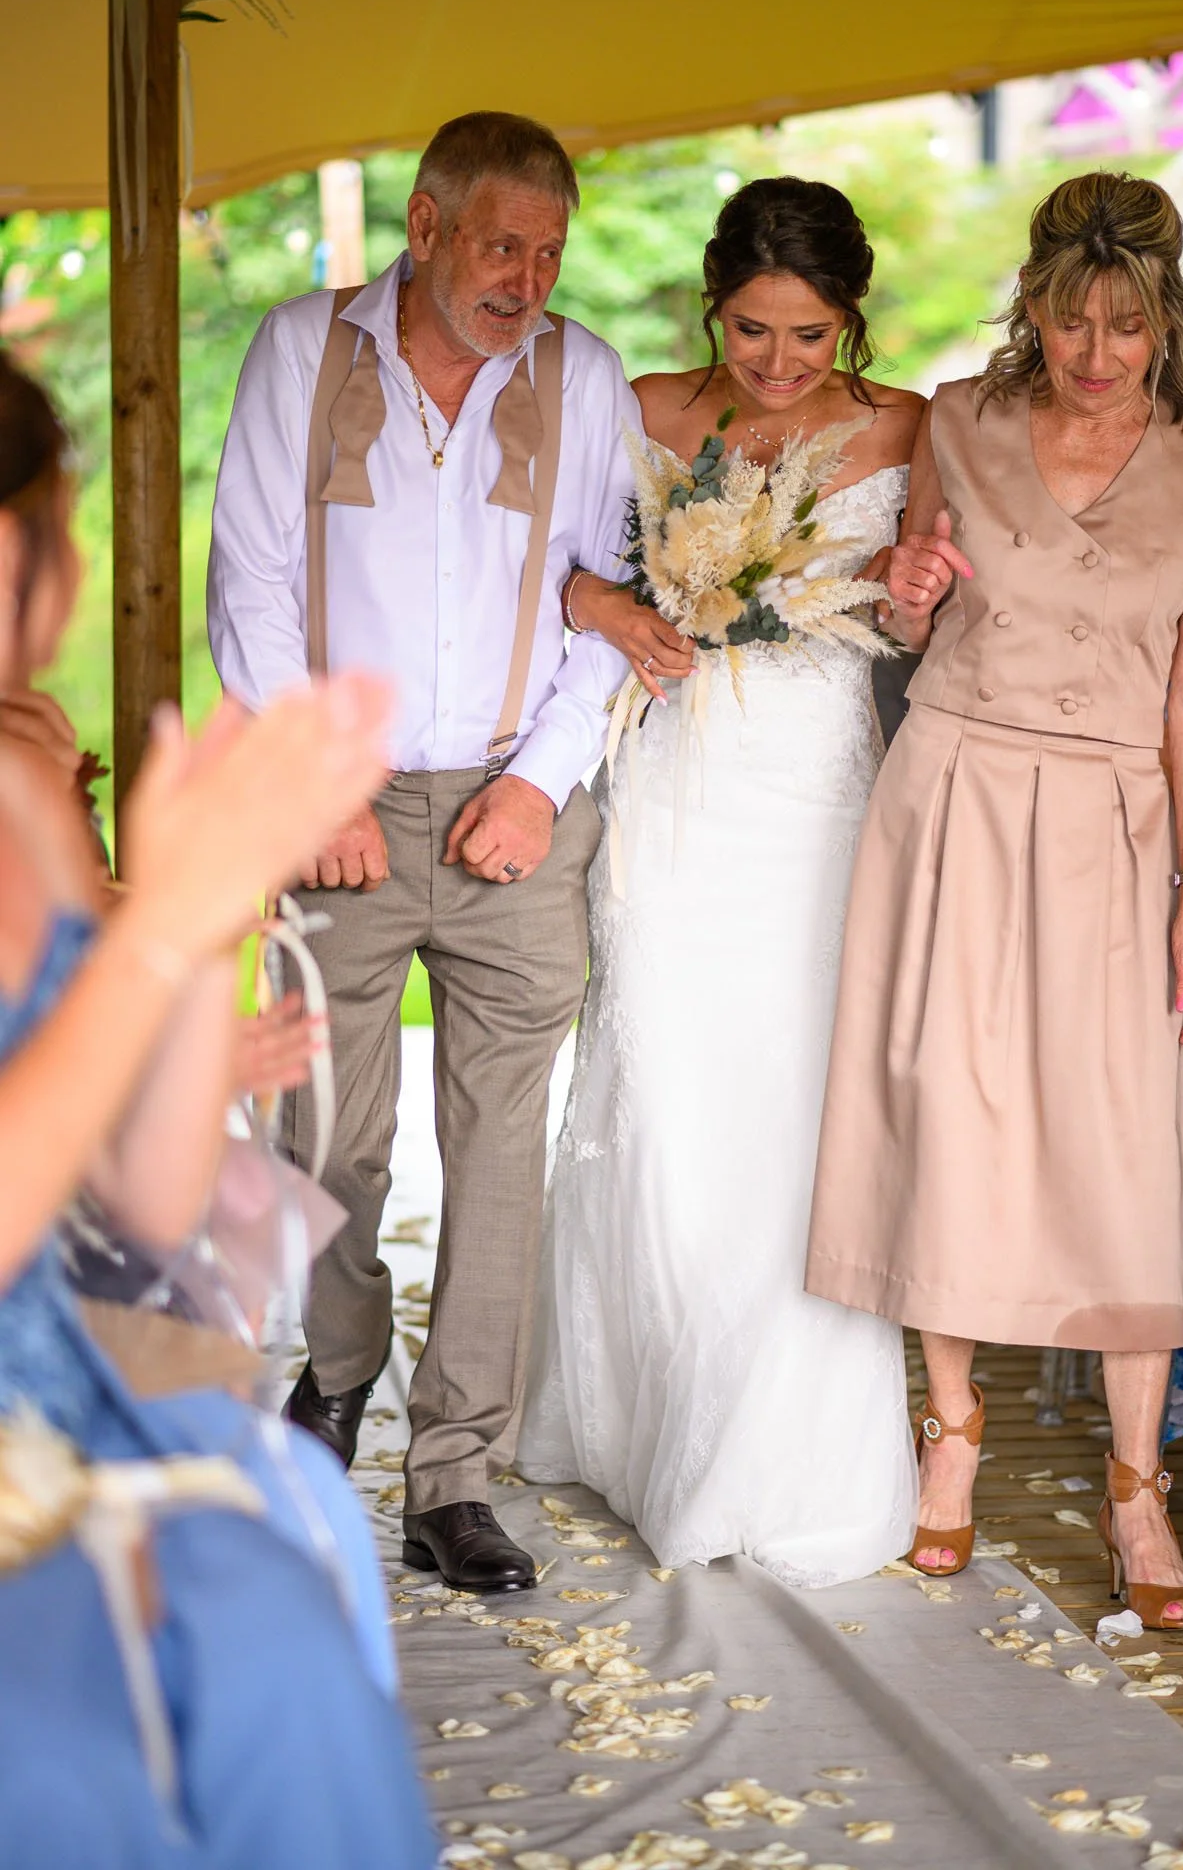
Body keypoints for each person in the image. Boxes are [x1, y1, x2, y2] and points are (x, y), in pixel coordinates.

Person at [0, 354, 435, 1864]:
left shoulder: (25, 797)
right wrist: (154, 927)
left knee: (272, 1630)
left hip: (63, 1385)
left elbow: (149, 1210)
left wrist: (197, 941)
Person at [807, 171, 1183, 1629]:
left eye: (1125, 327)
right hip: (957, 791)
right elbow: (904, 616)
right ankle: (954, 1436)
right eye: (1072, 321)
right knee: (949, 1103)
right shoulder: (959, 419)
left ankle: (1136, 1491)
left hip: (1123, 822)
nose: (1095, 354)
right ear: (1038, 311)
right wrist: (913, 583)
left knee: (1117, 1140)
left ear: (1163, 321)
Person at [208, 110, 636, 1595]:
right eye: (503, 244)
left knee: (498, 1149)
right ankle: (334, 1371)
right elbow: (253, 575)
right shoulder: (299, 351)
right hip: (348, 795)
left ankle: (455, 1472)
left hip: (520, 802)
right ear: (427, 225)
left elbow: (612, 596)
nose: (527, 277)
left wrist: (542, 783)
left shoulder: (583, 377)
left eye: (550, 251)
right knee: (326, 1131)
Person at [516, 177, 922, 1586]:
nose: (777, 364)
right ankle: (648, 1427)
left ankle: (778, 1452)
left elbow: (925, 603)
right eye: (751, 330)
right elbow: (543, 568)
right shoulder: (644, 405)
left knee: (791, 1104)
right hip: (674, 786)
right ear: (712, 306)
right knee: (665, 1093)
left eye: (809, 335)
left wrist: (912, 595)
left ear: (849, 321)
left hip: (809, 800)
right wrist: (619, 607)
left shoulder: (906, 429)